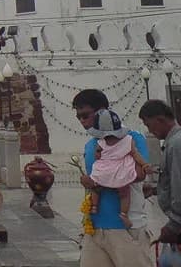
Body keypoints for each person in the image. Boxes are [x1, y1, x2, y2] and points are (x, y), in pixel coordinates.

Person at [72, 89, 153, 267]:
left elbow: (139, 175)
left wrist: (98, 180)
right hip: (95, 228)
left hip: (126, 227)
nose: (82, 122)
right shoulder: (91, 145)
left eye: (85, 115)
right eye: (79, 117)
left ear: (102, 111)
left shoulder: (132, 138)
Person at [86, 109, 150, 227]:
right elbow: (135, 154)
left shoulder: (100, 142)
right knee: (124, 194)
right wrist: (145, 164)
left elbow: (97, 154)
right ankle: (123, 214)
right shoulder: (129, 140)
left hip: (104, 170)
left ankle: (94, 206)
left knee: (95, 186)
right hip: (121, 172)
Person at [138, 99, 181, 265]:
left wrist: (175, 225)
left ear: (160, 120)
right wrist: (156, 190)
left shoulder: (176, 144)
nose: (150, 131)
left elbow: (179, 187)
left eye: (149, 125)